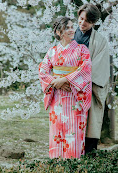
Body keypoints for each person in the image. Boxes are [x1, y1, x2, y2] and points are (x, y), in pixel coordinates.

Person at [39, 17, 92, 159]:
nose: (72, 30)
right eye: (67, 27)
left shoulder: (82, 49)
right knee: (57, 131)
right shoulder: (52, 51)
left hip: (75, 98)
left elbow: (85, 70)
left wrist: (65, 79)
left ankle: (73, 164)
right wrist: (57, 81)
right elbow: (43, 72)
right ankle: (56, 163)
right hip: (57, 97)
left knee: (74, 132)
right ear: (58, 32)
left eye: (72, 27)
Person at [74, 4, 110, 153]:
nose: (82, 23)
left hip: (88, 86)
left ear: (94, 23)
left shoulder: (100, 41)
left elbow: (98, 66)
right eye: (81, 18)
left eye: (87, 21)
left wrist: (77, 78)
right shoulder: (69, 34)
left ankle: (89, 157)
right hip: (67, 86)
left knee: (90, 123)